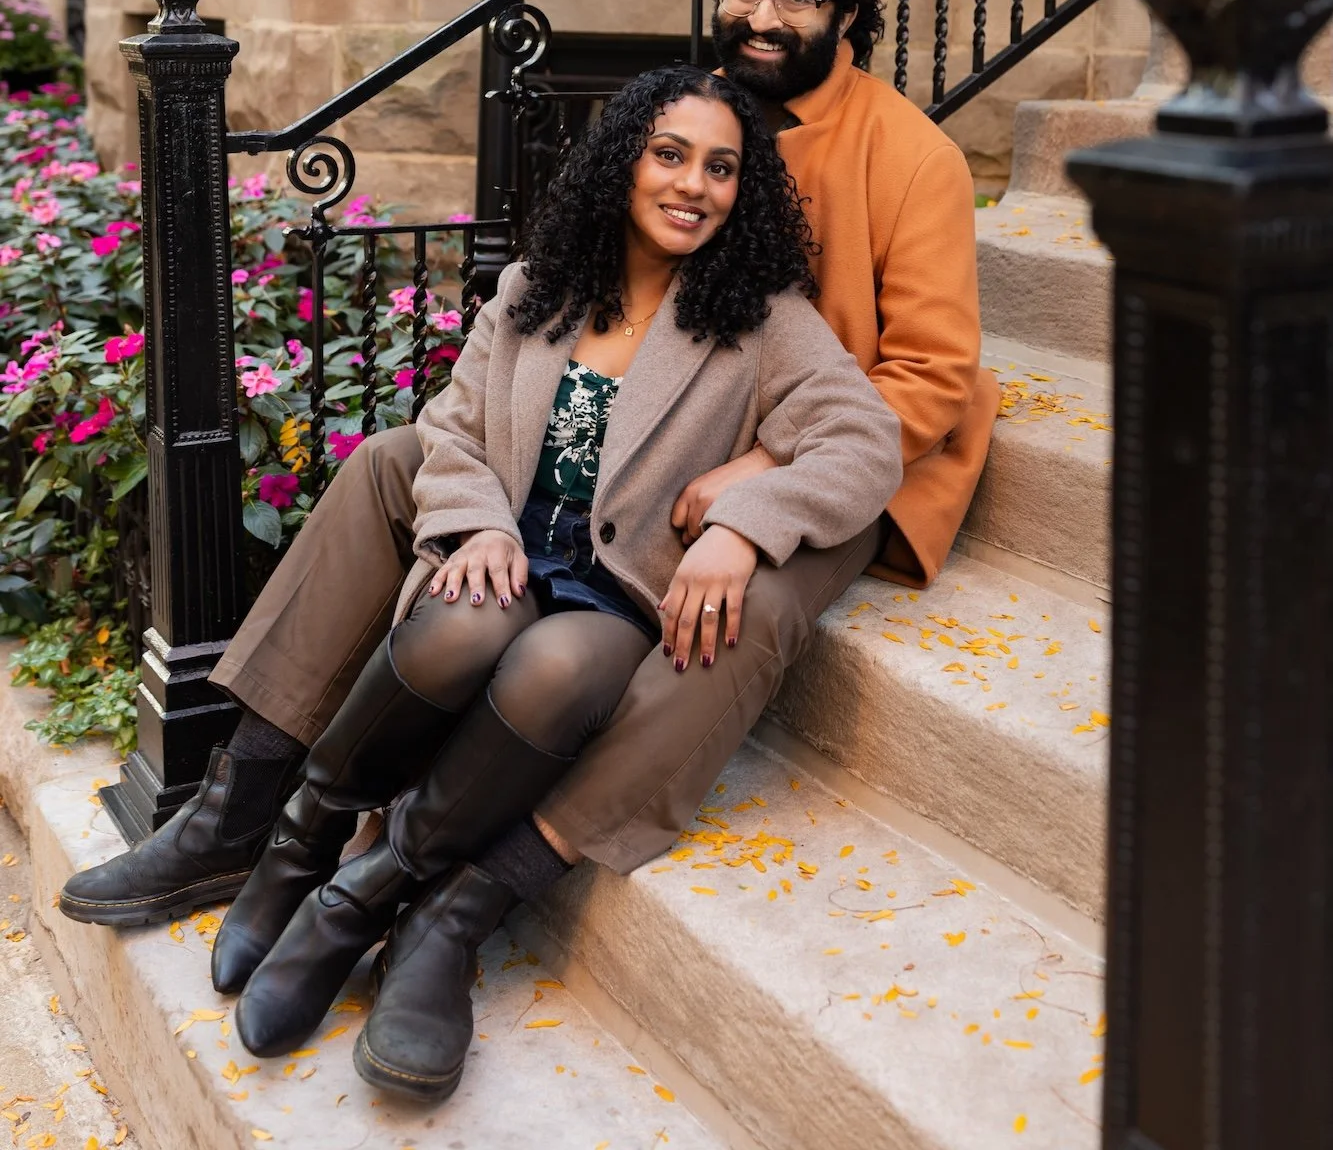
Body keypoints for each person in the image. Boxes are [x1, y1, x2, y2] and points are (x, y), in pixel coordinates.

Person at [59, 0, 996, 939]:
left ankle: (483, 884)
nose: (764, 13)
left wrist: (754, 485)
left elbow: (923, 379)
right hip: (658, 426)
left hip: (829, 460)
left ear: (847, 13)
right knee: (392, 463)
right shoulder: (702, 116)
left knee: (738, 608)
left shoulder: (911, 155)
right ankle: (241, 804)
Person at [202, 66, 900, 1099]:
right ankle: (299, 846)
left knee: (553, 664)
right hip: (514, 552)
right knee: (460, 633)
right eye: (670, 154)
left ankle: (363, 896)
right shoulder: (537, 287)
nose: (693, 184)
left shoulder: (763, 318)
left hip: (616, 595)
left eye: (721, 166)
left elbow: (865, 438)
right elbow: (450, 428)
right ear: (623, 159)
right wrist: (478, 522)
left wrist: (748, 523)